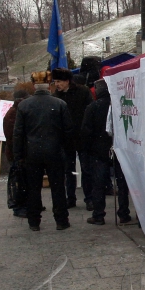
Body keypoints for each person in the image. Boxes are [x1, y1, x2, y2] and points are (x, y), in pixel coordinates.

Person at [13, 82, 73, 231]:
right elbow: (68, 131)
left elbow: (18, 133)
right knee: (58, 187)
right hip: (54, 151)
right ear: (49, 88)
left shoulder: (24, 105)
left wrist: (18, 155)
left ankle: (34, 221)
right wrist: (68, 151)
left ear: (34, 88)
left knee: (33, 188)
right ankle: (61, 220)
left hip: (32, 152)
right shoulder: (59, 104)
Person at [52, 68, 94, 211]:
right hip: (65, 139)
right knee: (68, 170)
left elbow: (90, 111)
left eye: (59, 81)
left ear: (67, 81)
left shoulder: (83, 92)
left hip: (83, 137)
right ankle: (71, 198)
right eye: (55, 81)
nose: (56, 84)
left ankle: (89, 198)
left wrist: (87, 130)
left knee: (86, 169)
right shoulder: (56, 97)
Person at [80, 79, 114, 226]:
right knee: (123, 183)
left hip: (98, 150)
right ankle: (124, 213)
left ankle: (98, 215)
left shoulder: (93, 107)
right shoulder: (116, 106)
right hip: (116, 148)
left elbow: (86, 132)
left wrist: (85, 150)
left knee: (98, 184)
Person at [4, 87, 30, 218]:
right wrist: (18, 154)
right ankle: (19, 206)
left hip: (20, 153)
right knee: (19, 181)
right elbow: (13, 137)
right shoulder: (14, 114)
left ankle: (25, 204)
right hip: (17, 154)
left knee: (23, 180)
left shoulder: (16, 112)